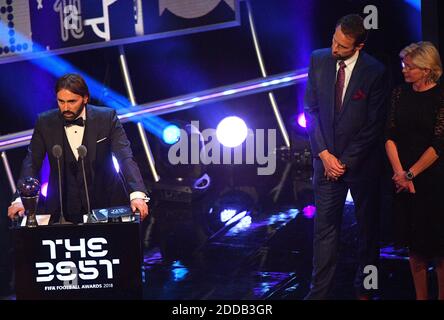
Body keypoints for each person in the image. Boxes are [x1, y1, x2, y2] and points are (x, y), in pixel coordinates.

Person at [304, 14, 388, 299]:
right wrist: (325, 155)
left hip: (361, 166)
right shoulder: (319, 59)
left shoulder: (375, 72)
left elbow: (373, 125)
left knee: (367, 231)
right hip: (325, 161)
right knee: (324, 232)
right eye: (334, 41)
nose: (335, 49)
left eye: (342, 46)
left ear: (359, 46)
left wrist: (344, 162)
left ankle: (366, 290)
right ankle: (319, 294)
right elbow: (311, 111)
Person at [7, 73, 149, 224]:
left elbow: (125, 157)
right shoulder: (45, 122)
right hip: (62, 208)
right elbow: (31, 162)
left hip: (107, 203)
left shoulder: (107, 118)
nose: (66, 107)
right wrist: (19, 199)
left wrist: (137, 194)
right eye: (61, 101)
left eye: (72, 101)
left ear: (85, 98)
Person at [385, 42, 444, 300]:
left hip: (433, 180)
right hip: (403, 181)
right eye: (403, 65)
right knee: (414, 245)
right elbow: (389, 134)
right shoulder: (399, 94)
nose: (404, 71)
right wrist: (400, 173)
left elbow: (439, 144)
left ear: (427, 69)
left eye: (409, 67)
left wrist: (411, 174)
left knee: (439, 246)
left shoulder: (441, 97)